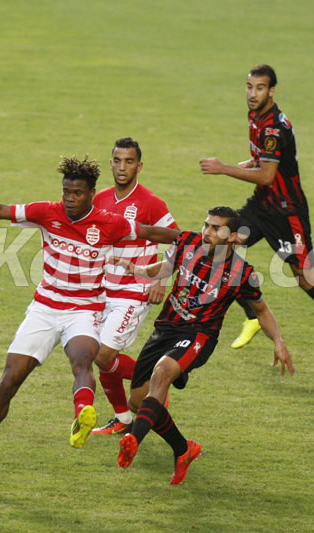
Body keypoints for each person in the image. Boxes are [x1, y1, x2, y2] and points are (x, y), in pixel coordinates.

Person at [0, 155, 180, 488]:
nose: (70, 199)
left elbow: (153, 231)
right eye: (66, 192)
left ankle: (83, 413)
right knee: (8, 382)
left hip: (84, 310)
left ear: (91, 194)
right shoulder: (46, 212)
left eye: (77, 193)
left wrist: (198, 241)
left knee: (83, 360)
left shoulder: (110, 223)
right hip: (44, 309)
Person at [113, 206, 293, 485]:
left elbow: (261, 310)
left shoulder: (242, 274)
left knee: (162, 373)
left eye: (215, 228)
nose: (207, 232)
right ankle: (183, 449)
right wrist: (136, 269)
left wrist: (278, 341)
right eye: (206, 225)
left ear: (232, 236)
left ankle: (133, 439)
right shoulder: (187, 243)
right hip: (165, 328)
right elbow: (165, 268)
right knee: (137, 402)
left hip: (199, 335)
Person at [199, 64, 314, 363]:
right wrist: (249, 162)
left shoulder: (272, 127)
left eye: (260, 88)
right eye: (249, 86)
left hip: (287, 214)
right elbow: (266, 159)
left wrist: (224, 168)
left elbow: (267, 175)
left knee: (306, 278)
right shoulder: (256, 115)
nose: (253, 93)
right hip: (262, 206)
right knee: (219, 245)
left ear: (271, 91)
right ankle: (252, 317)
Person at [89, 137, 179, 436]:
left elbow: (178, 241)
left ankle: (156, 379)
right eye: (117, 161)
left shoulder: (150, 202)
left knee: (103, 356)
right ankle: (123, 418)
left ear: (139, 166)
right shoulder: (99, 199)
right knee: (97, 355)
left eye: (129, 161)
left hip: (134, 291)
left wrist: (160, 280)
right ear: (110, 163)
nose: (122, 167)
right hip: (102, 289)